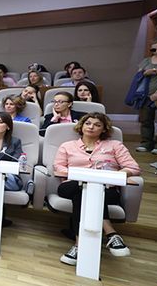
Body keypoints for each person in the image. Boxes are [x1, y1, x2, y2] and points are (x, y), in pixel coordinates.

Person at [54, 113, 139, 265]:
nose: (91, 127)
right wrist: (82, 175)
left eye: (97, 125)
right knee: (83, 187)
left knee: (84, 194)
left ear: (104, 129)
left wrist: (115, 176)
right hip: (71, 184)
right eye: (88, 123)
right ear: (81, 126)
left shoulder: (114, 146)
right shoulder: (67, 146)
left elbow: (132, 167)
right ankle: (111, 234)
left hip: (106, 188)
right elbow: (58, 167)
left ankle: (79, 246)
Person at [137, 38, 157, 153]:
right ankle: (146, 143)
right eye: (153, 49)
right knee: (146, 120)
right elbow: (138, 74)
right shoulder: (147, 61)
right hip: (146, 94)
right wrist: (146, 72)